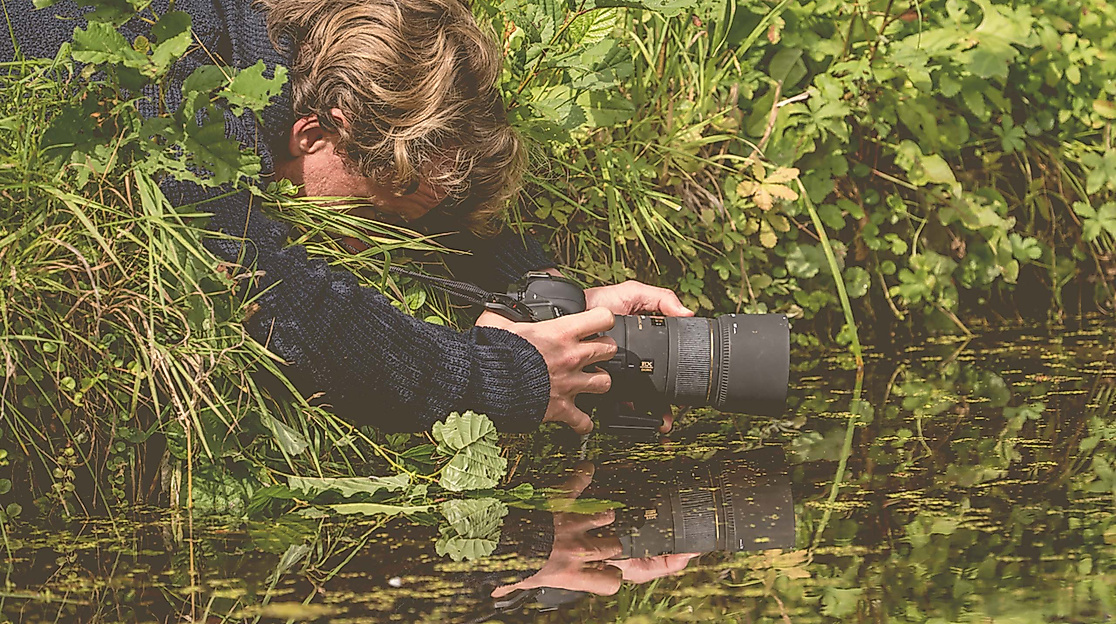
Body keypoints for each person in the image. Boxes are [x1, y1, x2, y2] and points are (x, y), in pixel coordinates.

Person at [3, 0, 693, 434]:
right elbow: (276, 292)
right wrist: (506, 380)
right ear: (313, 133)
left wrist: (548, 297)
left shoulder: (272, 45)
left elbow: (427, 198)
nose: (375, 240)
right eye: (370, 213)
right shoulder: (169, 84)